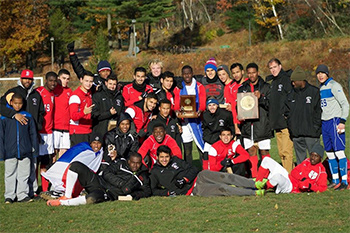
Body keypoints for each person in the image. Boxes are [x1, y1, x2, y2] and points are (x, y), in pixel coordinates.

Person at [0, 69, 44, 198]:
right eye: (25, 78)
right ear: (21, 79)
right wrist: (14, 114)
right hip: (15, 137)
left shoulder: (36, 94)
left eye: (29, 79)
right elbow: (1, 106)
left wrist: (37, 127)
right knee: (13, 169)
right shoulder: (13, 92)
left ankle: (29, 192)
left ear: (32, 80)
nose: (27, 81)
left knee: (31, 166)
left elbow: (41, 113)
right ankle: (12, 194)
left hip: (30, 135)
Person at [47, 152, 151, 206]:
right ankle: (67, 196)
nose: (135, 165)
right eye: (133, 162)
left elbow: (147, 190)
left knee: (91, 199)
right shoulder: (121, 164)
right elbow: (106, 173)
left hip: (109, 194)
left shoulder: (142, 175)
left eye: (138, 163)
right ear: (129, 161)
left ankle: (62, 203)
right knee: (75, 166)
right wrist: (121, 184)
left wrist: (134, 195)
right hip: (99, 182)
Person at [41, 133, 104, 200]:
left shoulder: (101, 153)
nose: (96, 145)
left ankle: (62, 194)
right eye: (94, 143)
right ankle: (59, 193)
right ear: (90, 143)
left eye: (98, 143)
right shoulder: (82, 148)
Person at [0, 93, 38, 203]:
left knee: (24, 174)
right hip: (10, 151)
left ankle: (22, 195)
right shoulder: (4, 118)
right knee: (10, 174)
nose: (17, 106)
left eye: (20, 103)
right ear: (11, 103)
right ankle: (9, 196)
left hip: (25, 151)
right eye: (15, 103)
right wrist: (2, 152)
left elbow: (33, 134)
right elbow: (1, 135)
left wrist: (34, 149)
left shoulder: (28, 116)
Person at [316, 64, 349, 190]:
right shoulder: (321, 88)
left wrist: (342, 121)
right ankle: (335, 180)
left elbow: (345, 104)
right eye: (318, 73)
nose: (320, 75)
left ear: (327, 74)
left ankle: (344, 181)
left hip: (335, 121)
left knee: (339, 152)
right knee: (329, 153)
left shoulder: (335, 86)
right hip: (325, 123)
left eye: (322, 73)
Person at [238, 63, 272, 177]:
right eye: (249, 73)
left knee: (264, 151)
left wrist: (261, 98)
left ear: (258, 72)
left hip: (262, 124)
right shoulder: (243, 88)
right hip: (248, 125)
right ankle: (254, 176)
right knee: (251, 150)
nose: (251, 75)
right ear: (246, 73)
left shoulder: (266, 87)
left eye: (254, 72)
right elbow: (239, 105)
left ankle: (265, 176)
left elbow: (270, 105)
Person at [254, 144, 327, 194]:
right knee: (267, 160)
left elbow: (323, 188)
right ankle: (257, 182)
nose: (312, 158)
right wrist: (302, 178)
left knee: (277, 177)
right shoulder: (307, 161)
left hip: (291, 187)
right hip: (289, 177)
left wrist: (310, 186)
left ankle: (263, 188)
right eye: (312, 155)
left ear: (320, 158)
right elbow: (294, 172)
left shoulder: (321, 171)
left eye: (316, 156)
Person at [286, 66, 321, 165]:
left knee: (314, 160)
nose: (292, 83)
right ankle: (302, 179)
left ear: (300, 80)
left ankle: (316, 179)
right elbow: (287, 112)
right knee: (301, 162)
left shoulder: (314, 92)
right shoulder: (290, 94)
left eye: (294, 81)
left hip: (311, 134)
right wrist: (292, 128)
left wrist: (315, 128)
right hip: (297, 135)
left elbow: (318, 112)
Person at [174, 65, 206, 164]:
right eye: (184, 73)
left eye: (189, 73)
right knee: (187, 150)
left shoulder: (199, 86)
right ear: (182, 75)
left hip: (197, 122)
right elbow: (176, 104)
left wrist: (199, 111)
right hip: (185, 122)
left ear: (192, 74)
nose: (187, 75)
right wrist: (177, 112)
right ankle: (189, 173)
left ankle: (204, 172)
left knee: (200, 147)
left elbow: (203, 103)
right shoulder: (179, 88)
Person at [266, 58, 294, 173]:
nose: (273, 70)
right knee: (281, 152)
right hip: (276, 123)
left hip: (285, 123)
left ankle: (289, 177)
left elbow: (291, 99)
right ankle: (286, 174)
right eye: (271, 68)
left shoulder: (286, 80)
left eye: (275, 67)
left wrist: (287, 114)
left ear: (280, 66)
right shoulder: (273, 82)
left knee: (287, 152)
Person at [36, 71, 58, 192]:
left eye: (55, 81)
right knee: (36, 162)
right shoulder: (38, 92)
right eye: (50, 80)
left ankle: (45, 189)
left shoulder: (52, 94)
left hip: (49, 133)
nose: (53, 83)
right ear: (46, 80)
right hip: (40, 132)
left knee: (46, 161)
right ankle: (34, 189)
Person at [202, 98, 234, 168]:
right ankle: (205, 173)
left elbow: (231, 126)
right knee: (205, 155)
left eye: (214, 105)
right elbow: (205, 128)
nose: (212, 107)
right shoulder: (205, 115)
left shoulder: (226, 114)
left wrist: (230, 137)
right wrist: (207, 138)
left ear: (217, 106)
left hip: (222, 139)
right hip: (210, 138)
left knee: (221, 158)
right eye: (209, 105)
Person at [69, 70, 95, 146]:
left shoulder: (89, 94)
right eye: (86, 81)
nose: (88, 83)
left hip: (88, 130)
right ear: (81, 80)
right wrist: (84, 112)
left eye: (91, 81)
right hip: (78, 132)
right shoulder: (75, 96)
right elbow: (73, 116)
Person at [53, 69, 72, 158]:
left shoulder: (70, 91)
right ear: (58, 78)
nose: (66, 81)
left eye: (67, 79)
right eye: (63, 78)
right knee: (53, 153)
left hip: (66, 127)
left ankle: (60, 172)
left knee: (64, 153)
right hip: (55, 127)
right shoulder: (53, 90)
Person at [225, 63, 247, 136]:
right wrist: (236, 126)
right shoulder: (231, 87)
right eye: (233, 73)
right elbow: (233, 108)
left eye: (237, 72)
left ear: (242, 72)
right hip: (239, 122)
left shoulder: (249, 83)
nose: (236, 75)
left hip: (250, 120)